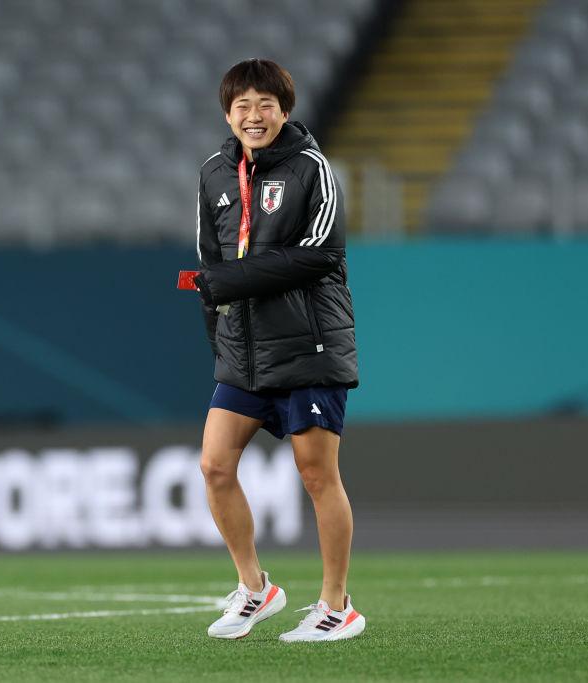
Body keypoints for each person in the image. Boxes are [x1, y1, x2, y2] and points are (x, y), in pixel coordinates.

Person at [192, 58, 364, 642]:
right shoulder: (216, 171)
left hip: (309, 342)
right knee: (215, 465)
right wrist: (220, 336)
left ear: (284, 111)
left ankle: (338, 606)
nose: (254, 115)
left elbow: (321, 253)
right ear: (228, 114)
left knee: (317, 474)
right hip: (245, 349)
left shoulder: (312, 167)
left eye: (266, 104)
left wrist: (230, 284)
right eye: (242, 106)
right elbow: (212, 265)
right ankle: (256, 588)